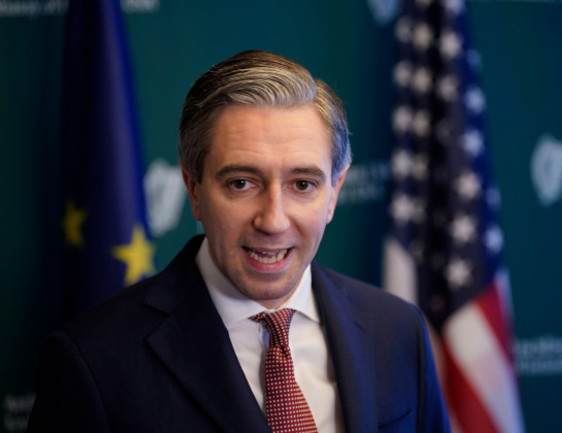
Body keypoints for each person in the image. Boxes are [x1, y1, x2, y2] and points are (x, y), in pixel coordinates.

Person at [28, 50, 450, 433]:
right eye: (242, 183)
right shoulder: (92, 360)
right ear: (194, 190)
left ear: (335, 193)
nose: (273, 220)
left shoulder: (399, 331)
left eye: (302, 184)